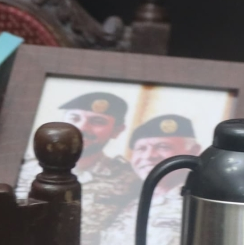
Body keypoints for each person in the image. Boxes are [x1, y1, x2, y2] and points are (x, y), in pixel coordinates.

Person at [16, 91, 139, 245]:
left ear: (117, 130)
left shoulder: (130, 179)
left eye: (97, 121)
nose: (82, 128)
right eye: (74, 118)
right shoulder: (23, 166)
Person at [101, 114, 203, 245]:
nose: (149, 156)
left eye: (163, 147)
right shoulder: (129, 201)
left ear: (194, 151)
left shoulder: (200, 203)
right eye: (141, 148)